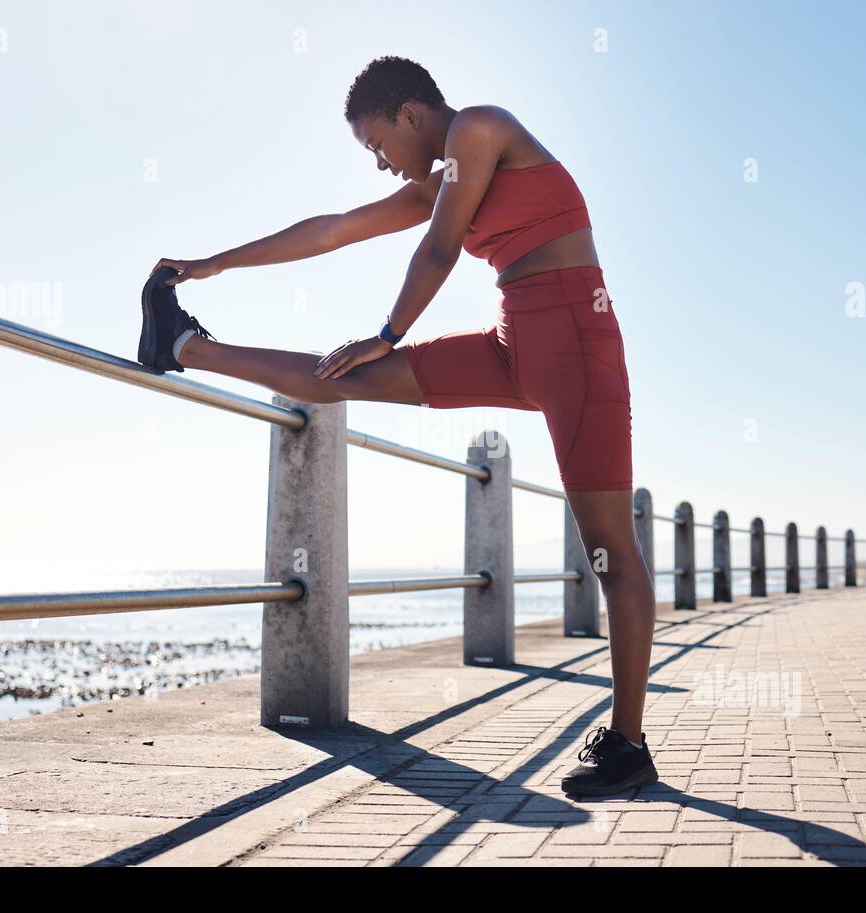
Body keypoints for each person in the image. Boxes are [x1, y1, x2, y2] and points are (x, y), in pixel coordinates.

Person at [140, 55, 657, 797]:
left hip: (579, 342)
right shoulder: (441, 180)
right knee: (338, 377)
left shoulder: (481, 129)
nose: (381, 166)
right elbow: (332, 231)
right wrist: (212, 264)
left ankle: (629, 741)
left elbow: (442, 250)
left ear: (411, 115)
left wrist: (388, 331)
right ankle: (184, 345)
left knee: (609, 546)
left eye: (378, 146)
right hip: (517, 342)